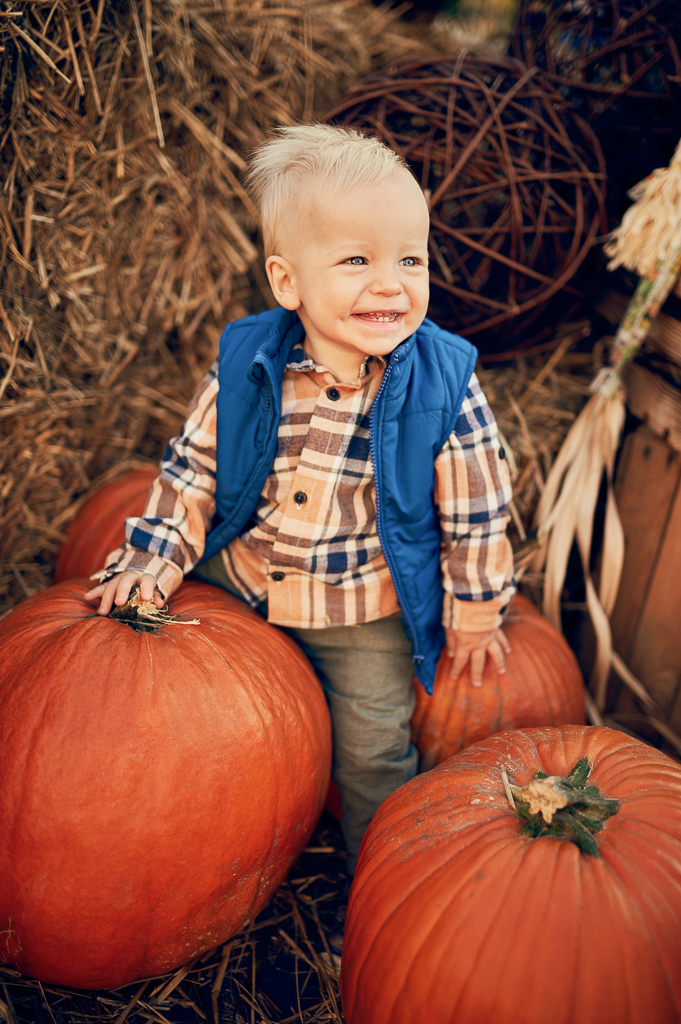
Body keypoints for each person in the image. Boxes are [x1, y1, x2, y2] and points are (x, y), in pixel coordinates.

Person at [86, 123, 514, 878]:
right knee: (157, 709)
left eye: (408, 260)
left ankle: (381, 884)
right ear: (288, 283)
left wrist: (477, 608)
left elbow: (478, 505)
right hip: (244, 577)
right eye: (356, 261)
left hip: (359, 608)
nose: (389, 283)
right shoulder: (251, 361)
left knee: (376, 750)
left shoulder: (443, 382)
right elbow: (193, 469)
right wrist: (152, 560)